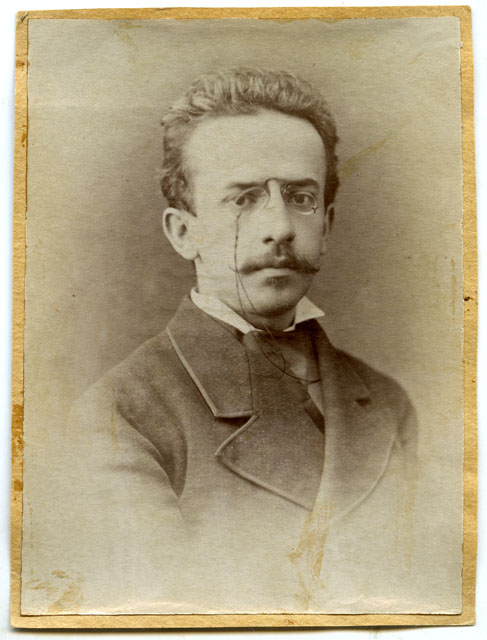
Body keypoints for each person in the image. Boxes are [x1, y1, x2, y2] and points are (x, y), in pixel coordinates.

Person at [43, 68, 419, 614]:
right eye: (243, 199)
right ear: (183, 232)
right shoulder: (118, 415)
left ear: (327, 224)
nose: (280, 227)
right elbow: (160, 613)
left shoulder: (387, 402)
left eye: (301, 197)